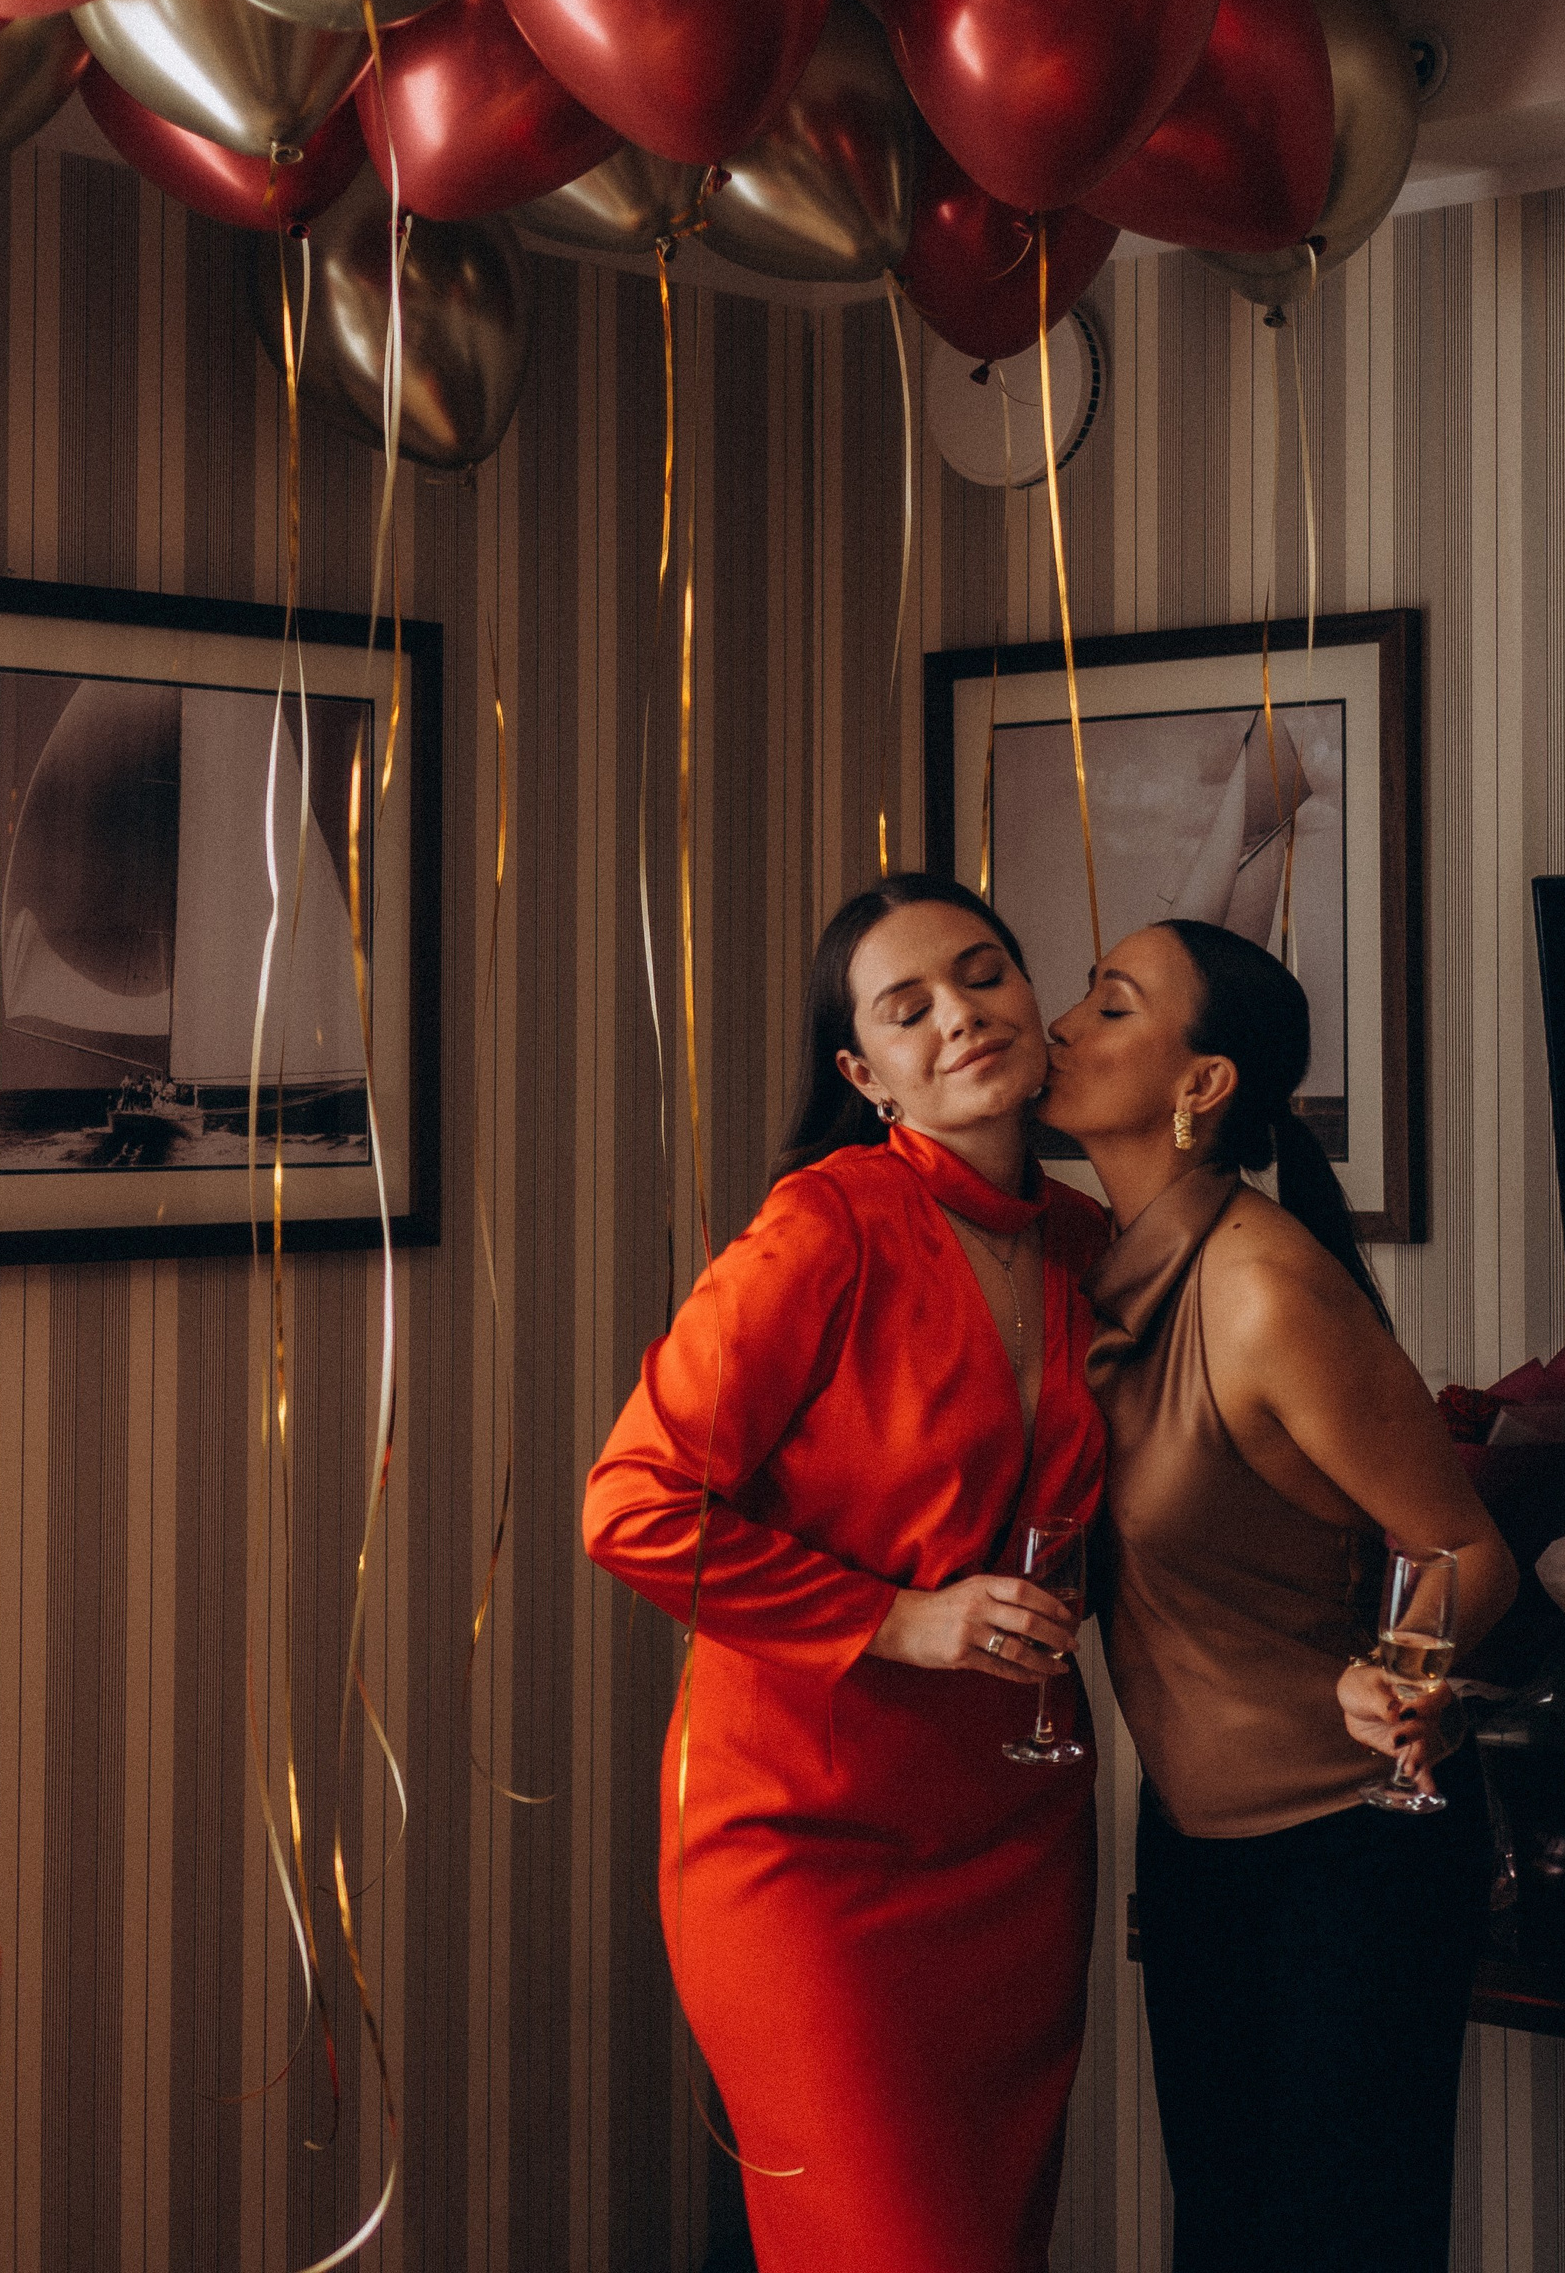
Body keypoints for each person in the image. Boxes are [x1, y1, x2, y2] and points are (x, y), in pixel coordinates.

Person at [583, 873, 1110, 2273]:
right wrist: (899, 1620)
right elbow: (633, 1505)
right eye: (908, 1006)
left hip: (1016, 1838)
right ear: (863, 1073)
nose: (962, 1016)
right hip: (804, 1851)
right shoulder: (825, 1225)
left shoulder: (1088, 1243)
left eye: (985, 974)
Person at [1043, 919, 1517, 2273]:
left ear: (1202, 1084)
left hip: (1347, 1857)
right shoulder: (1097, 1273)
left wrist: (1406, 1676)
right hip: (1194, 1847)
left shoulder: (1260, 1291)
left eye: (1113, 1005)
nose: (1064, 1024)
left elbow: (1467, 1550)